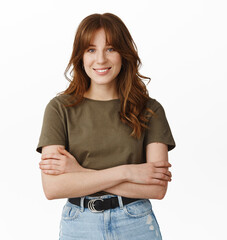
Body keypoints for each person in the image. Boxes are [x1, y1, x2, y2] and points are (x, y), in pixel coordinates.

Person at [36, 13, 176, 240]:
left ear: (124, 54)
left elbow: (156, 189)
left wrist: (79, 174)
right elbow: (53, 188)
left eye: (110, 48)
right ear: (80, 56)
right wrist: (128, 172)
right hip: (79, 224)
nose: (100, 59)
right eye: (91, 49)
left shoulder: (150, 110)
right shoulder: (59, 109)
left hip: (137, 223)